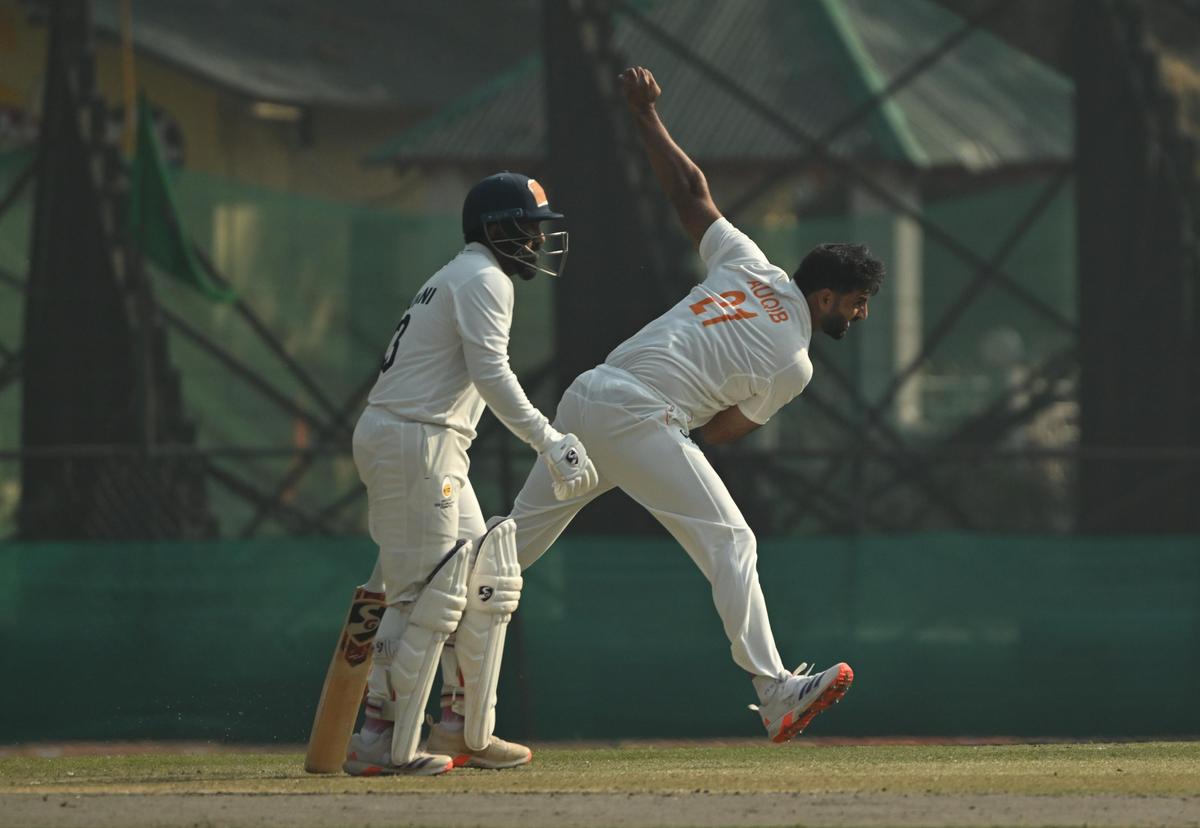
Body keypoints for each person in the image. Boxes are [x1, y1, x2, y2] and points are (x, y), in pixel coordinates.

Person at [503, 67, 885, 743]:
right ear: (825, 298)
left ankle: (414, 599)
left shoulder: (748, 263)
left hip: (589, 395)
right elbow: (724, 431)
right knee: (731, 538)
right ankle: (774, 691)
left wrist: (645, 114)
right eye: (857, 303)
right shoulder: (793, 364)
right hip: (642, 418)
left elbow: (690, 193)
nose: (858, 316)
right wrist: (681, 431)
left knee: (508, 550)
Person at [344, 172, 599, 776]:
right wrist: (550, 440)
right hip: (416, 441)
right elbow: (491, 372)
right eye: (530, 229)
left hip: (419, 440)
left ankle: (461, 726)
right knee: (420, 594)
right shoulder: (484, 278)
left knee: (484, 577)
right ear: (498, 228)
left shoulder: (458, 275)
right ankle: (376, 736)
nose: (538, 242)